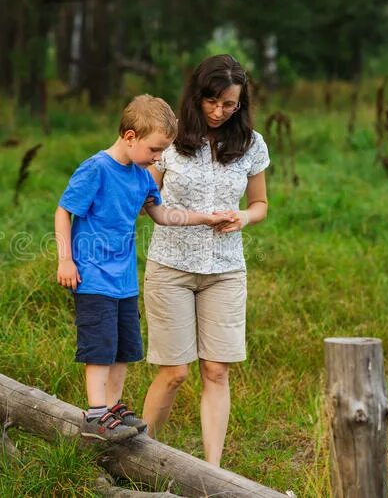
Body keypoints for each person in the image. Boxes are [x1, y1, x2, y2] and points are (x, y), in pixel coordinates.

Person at [55, 94, 232, 442]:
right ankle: (95, 415)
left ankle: (113, 408)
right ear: (130, 136)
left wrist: (205, 218)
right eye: (154, 150)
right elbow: (63, 211)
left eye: (162, 152)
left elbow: (163, 215)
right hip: (93, 276)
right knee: (100, 347)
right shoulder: (96, 169)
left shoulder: (142, 178)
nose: (158, 158)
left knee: (123, 347)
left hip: (124, 281)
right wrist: (66, 259)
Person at [141, 54, 270, 465]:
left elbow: (261, 203)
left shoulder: (251, 143)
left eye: (229, 104)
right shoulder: (171, 140)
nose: (219, 111)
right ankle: (138, 455)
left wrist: (244, 217)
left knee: (216, 371)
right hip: (171, 267)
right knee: (174, 372)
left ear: (241, 102)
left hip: (226, 271)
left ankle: (213, 471)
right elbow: (146, 198)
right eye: (212, 101)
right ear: (197, 96)